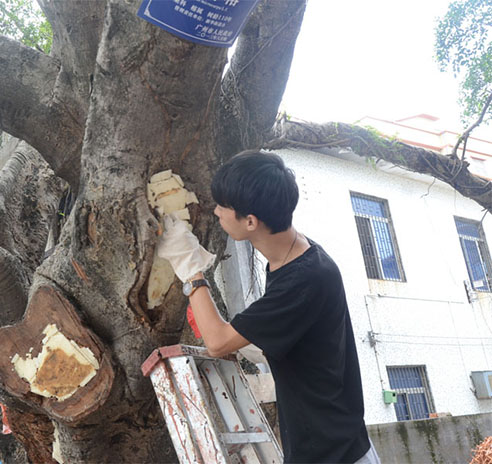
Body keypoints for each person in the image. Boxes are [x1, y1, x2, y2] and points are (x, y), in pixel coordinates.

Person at [157, 150, 380, 464]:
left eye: (223, 206)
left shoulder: (304, 277)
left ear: (250, 221)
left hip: (334, 454)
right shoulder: (295, 255)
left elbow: (217, 342)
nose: (216, 211)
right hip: (331, 444)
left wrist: (190, 269)